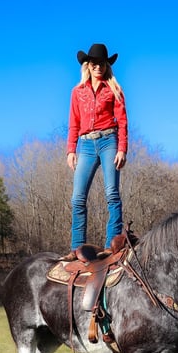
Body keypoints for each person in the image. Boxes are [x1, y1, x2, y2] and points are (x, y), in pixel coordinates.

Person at [62, 43, 128, 261]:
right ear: (87, 66)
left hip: (109, 140)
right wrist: (71, 150)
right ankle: (77, 248)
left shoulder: (114, 90)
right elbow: (73, 122)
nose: (98, 67)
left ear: (106, 65)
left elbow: (123, 121)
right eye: (94, 63)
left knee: (112, 193)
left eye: (102, 63)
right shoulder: (77, 92)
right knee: (77, 198)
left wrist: (122, 149)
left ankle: (112, 244)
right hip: (86, 145)